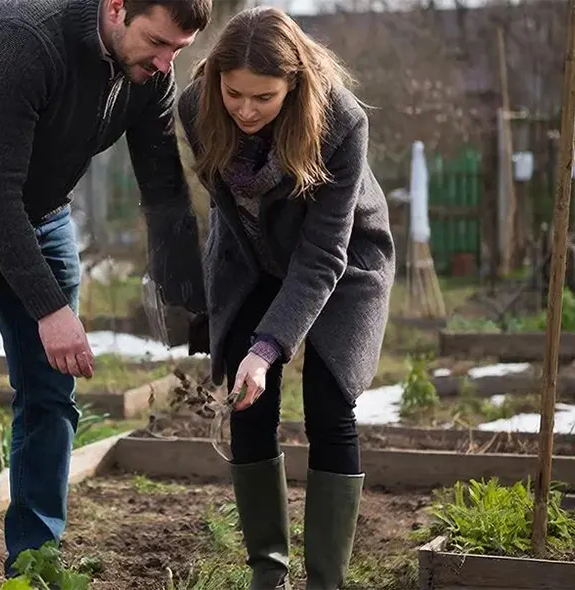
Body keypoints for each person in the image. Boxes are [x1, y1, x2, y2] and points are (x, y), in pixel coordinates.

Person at [0, 0, 210, 587]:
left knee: (50, 393)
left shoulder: (149, 74)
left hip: (40, 211)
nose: (166, 63)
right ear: (116, 8)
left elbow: (164, 187)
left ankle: (34, 564)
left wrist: (193, 306)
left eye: (178, 50)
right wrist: (50, 310)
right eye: (157, 42)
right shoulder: (24, 41)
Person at [178, 7, 395, 590]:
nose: (246, 110)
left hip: (342, 263)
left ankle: (325, 580)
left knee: (329, 403)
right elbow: (225, 211)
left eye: (264, 97)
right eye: (234, 93)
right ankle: (267, 573)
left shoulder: (341, 121)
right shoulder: (198, 108)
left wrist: (269, 345)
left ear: (293, 85)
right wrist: (240, 338)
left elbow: (324, 254)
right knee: (249, 404)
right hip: (252, 260)